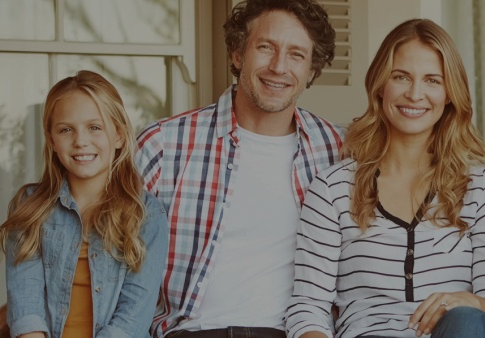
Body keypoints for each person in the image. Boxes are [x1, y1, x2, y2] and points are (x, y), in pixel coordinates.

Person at [284, 19, 485, 338]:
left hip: (458, 333)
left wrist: (468, 302)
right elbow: (308, 306)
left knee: (468, 320)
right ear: (380, 85)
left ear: (450, 93)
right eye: (401, 77)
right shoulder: (332, 188)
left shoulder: (484, 189)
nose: (415, 94)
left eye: (433, 80)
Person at [133, 0, 346, 337]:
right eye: (265, 47)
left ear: (312, 70)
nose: (279, 66)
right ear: (236, 54)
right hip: (190, 332)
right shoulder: (163, 144)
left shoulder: (339, 150)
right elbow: (107, 257)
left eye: (296, 54)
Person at [0, 70, 168, 338]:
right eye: (66, 129)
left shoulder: (147, 215)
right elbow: (26, 304)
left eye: (95, 127)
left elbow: (133, 317)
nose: (80, 141)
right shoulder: (30, 207)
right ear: (52, 140)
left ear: (120, 136)